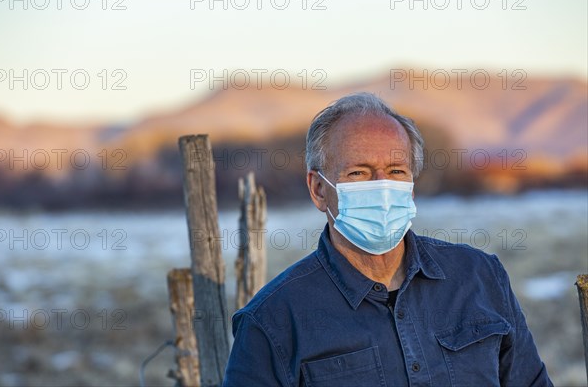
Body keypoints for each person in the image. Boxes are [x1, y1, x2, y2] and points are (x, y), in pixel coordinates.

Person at [223, 92, 552, 386]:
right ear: (319, 189)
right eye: (359, 173)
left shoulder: (480, 278)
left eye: (396, 171)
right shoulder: (273, 322)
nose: (381, 188)